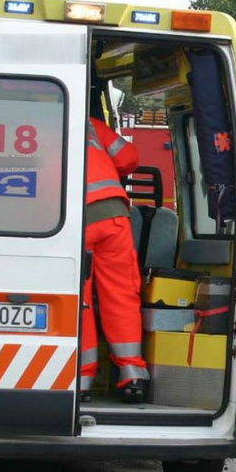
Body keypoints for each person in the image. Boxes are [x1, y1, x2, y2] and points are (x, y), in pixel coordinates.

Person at [80, 118, 149, 403]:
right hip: (113, 214)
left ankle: (81, 378)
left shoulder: (26, 124)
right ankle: (132, 373)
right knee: (120, 294)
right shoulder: (91, 124)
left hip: (72, 221)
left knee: (78, 300)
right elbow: (128, 157)